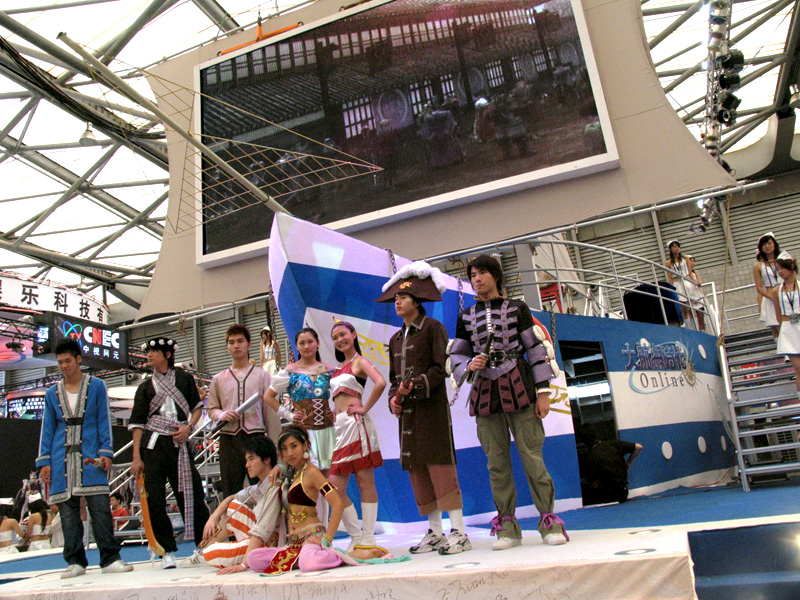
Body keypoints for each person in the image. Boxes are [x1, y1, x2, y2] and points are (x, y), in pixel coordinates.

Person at [449, 255, 568, 550]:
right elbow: (458, 355)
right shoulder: (466, 316)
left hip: (521, 389)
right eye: (473, 275)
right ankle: (507, 527)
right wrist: (470, 365)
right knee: (496, 464)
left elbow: (536, 350)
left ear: (496, 276)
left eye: (482, 273)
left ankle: (549, 521)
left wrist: (543, 393)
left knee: (533, 458)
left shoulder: (518, 308)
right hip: (485, 395)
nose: (477, 279)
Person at [376, 261, 471, 555]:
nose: (397, 302)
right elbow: (393, 379)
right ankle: (435, 532)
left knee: (441, 468)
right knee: (418, 470)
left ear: (417, 302)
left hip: (432, 412)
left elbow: (440, 369)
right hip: (407, 416)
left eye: (402, 297)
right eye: (395, 298)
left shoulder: (433, 328)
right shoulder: (394, 339)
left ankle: (459, 532)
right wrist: (394, 399)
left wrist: (414, 385)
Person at [35, 338, 132, 578]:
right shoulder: (52, 393)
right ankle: (75, 561)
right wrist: (44, 461)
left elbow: (103, 420)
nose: (64, 366)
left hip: (90, 457)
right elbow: (48, 427)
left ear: (79, 360)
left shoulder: (96, 386)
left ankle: (110, 558)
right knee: (67, 513)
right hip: (61, 458)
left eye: (68, 361)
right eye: (60, 362)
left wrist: (105, 451)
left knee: (100, 509)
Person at [246, 426, 400, 575]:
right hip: (293, 544)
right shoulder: (290, 473)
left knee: (309, 564)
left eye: (294, 446)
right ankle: (301, 559)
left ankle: (354, 555)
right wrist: (280, 467)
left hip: (312, 538)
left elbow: (337, 503)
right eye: (284, 449)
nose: (290, 453)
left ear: (305, 445)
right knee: (253, 558)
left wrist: (327, 538)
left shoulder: (312, 472)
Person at [130, 337, 210, 569]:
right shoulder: (145, 387)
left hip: (179, 441)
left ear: (167, 354)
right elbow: (138, 424)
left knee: (192, 493)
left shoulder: (185, 379)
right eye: (148, 351)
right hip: (153, 444)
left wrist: (189, 427)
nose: (149, 355)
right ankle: (166, 550)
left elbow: (197, 409)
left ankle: (204, 545)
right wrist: (136, 456)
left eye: (154, 351)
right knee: (154, 497)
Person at [329, 321, 386, 550]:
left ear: (353, 335)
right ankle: (356, 536)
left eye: (343, 334)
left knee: (365, 482)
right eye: (335, 337)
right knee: (333, 487)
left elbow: (380, 382)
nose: (339, 340)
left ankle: (368, 537)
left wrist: (364, 407)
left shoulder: (359, 362)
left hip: (357, 426)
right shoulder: (337, 368)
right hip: (339, 428)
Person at [207, 324, 280, 498]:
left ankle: (265, 516)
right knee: (230, 488)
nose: (236, 346)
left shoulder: (262, 376)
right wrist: (222, 414)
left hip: (255, 437)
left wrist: (275, 445)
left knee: (263, 488)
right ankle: (231, 516)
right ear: (227, 347)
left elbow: (270, 413)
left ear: (249, 345)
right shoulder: (218, 379)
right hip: (229, 439)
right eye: (231, 342)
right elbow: (211, 409)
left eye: (240, 341)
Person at [199, 436, 282, 573]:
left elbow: (262, 529)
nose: (247, 465)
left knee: (211, 553)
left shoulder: (274, 487)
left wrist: (243, 565)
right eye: (247, 460)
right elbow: (232, 498)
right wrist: (212, 518)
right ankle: (204, 550)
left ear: (267, 460)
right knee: (233, 506)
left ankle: (208, 552)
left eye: (251, 459)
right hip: (259, 539)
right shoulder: (260, 486)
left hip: (268, 543)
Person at [265, 329, 335, 475]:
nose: (306, 346)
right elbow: (268, 397)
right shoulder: (290, 371)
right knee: (306, 474)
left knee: (327, 475)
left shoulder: (329, 370)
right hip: (304, 432)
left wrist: (335, 412)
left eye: (310, 342)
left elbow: (341, 393)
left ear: (317, 343)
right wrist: (289, 415)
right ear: (296, 346)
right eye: (302, 343)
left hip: (327, 430)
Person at [579, 426, 642, 504]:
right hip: (623, 493)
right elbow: (638, 447)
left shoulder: (590, 456)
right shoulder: (614, 444)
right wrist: (628, 462)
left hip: (607, 496)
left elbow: (594, 483)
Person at [772, 252, 800, 402]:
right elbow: (778, 315)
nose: (780, 272)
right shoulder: (776, 291)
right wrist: (784, 329)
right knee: (798, 368)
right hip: (789, 329)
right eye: (777, 269)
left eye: (782, 268)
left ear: (791, 266)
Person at [753, 232, 783, 338]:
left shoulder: (783, 261)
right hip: (770, 298)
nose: (767, 246)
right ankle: (781, 348)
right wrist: (772, 298)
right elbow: (759, 288)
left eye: (770, 243)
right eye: (764, 244)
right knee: (776, 327)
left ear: (774, 244)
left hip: (784, 294)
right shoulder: (758, 266)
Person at [665, 240, 691, 326]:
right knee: (683, 307)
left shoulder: (685, 259)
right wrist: (671, 288)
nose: (677, 249)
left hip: (686, 281)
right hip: (677, 283)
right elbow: (669, 277)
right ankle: (686, 325)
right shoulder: (668, 263)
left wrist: (694, 282)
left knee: (690, 306)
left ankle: (693, 325)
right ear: (670, 249)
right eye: (674, 247)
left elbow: (690, 272)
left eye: (678, 246)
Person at [684, 255, 706, 331]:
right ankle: (693, 331)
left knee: (700, 317)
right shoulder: (684, 274)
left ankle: (702, 331)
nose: (693, 263)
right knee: (691, 317)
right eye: (691, 261)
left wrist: (694, 280)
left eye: (694, 261)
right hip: (689, 297)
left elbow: (699, 282)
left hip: (697, 296)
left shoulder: (695, 272)